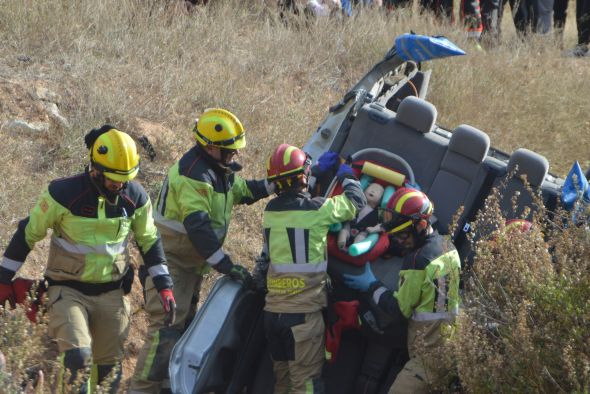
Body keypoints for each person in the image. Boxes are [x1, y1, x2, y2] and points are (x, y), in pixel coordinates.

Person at [0, 125, 175, 393]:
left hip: (112, 294)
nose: (119, 185)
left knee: (109, 374)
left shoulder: (135, 198)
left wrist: (164, 285)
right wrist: (2, 279)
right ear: (95, 169)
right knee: (77, 359)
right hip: (66, 291)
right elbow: (28, 234)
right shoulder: (63, 194)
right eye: (113, 179)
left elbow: (149, 240)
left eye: (125, 179)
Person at [130, 108, 274, 393]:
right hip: (171, 263)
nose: (234, 155)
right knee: (166, 330)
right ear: (210, 146)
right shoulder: (194, 175)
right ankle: (142, 389)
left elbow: (240, 191)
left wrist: (273, 185)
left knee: (182, 329)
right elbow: (198, 227)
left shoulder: (217, 171)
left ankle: (165, 386)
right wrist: (226, 264)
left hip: (189, 264)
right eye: (228, 150)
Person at [256, 146, 366, 393]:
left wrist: (310, 172)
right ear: (302, 177)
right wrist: (345, 174)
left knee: (283, 383)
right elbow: (357, 201)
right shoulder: (318, 209)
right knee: (306, 387)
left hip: (273, 316)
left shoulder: (270, 212)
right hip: (302, 321)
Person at [342, 187, 461, 393]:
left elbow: (398, 310)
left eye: (402, 235)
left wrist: (371, 284)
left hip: (427, 360)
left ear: (421, 225)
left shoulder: (416, 261)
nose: (397, 240)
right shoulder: (447, 246)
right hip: (452, 348)